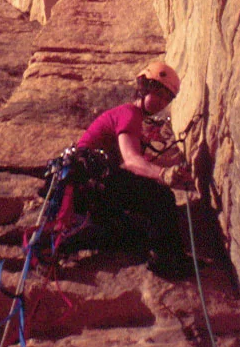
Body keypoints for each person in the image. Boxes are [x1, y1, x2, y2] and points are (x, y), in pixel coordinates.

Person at [67, 60, 194, 278]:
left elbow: (133, 164)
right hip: (92, 178)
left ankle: (66, 243)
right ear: (145, 88)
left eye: (167, 98)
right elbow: (133, 161)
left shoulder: (132, 118)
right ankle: (168, 261)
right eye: (159, 94)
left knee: (128, 228)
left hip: (89, 183)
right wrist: (164, 175)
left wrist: (172, 173)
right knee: (161, 196)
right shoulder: (129, 114)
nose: (162, 102)